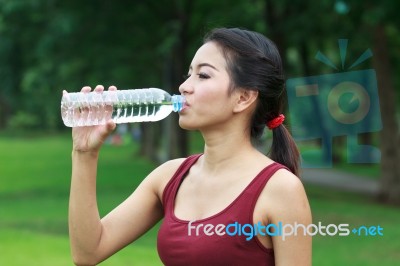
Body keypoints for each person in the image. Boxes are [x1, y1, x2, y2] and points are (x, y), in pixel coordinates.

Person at [68, 27, 312, 266]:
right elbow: (88, 252)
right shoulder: (170, 177)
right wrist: (84, 153)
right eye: (188, 74)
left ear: (244, 97)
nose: (184, 86)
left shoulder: (281, 189)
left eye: (203, 75)